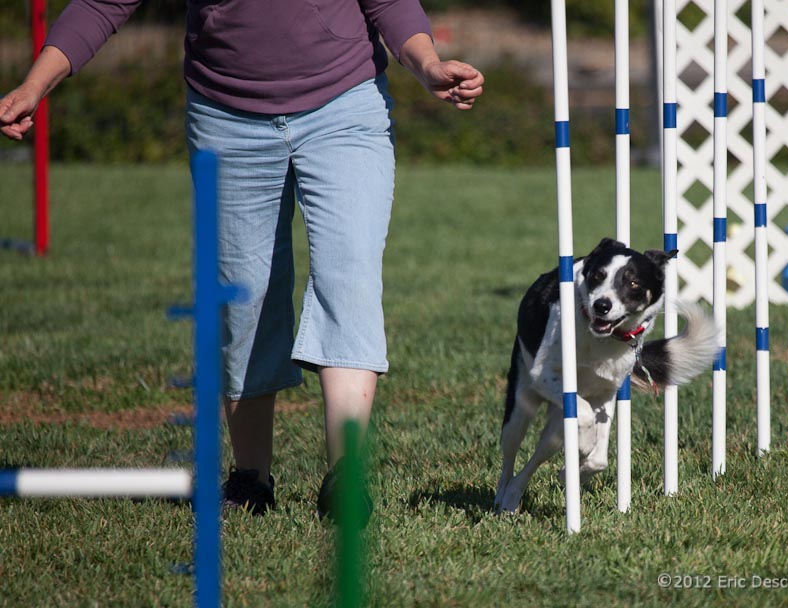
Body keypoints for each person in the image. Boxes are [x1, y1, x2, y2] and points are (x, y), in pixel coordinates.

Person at [0, 1, 484, 521]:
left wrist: (428, 64)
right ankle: (251, 478)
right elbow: (103, 4)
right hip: (225, 117)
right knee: (243, 296)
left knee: (350, 275)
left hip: (344, 105)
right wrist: (34, 85)